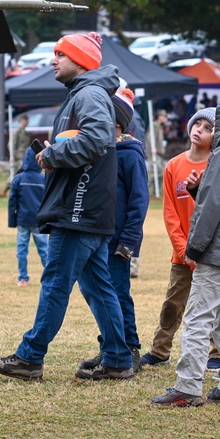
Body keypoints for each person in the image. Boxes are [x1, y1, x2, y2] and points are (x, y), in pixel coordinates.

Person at [0, 32, 133, 381]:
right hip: (90, 208)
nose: (52, 60)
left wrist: (52, 154)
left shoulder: (90, 93)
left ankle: (29, 358)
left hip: (78, 208)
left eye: (59, 54)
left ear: (80, 61)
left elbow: (97, 139)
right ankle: (117, 358)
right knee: (98, 286)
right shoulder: (87, 94)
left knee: (55, 282)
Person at [150, 100, 220, 408]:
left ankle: (187, 387)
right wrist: (202, 190)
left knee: (199, 319)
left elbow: (212, 208)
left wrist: (194, 247)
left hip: (218, 253)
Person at [138, 106, 220, 369]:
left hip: (210, 252)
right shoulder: (174, 165)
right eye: (198, 125)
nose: (200, 130)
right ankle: (160, 350)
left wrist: (202, 250)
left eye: (209, 128)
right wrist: (183, 248)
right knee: (173, 303)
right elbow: (171, 213)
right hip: (182, 253)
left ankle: (216, 353)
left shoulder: (218, 165)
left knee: (212, 304)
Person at [79, 87, 149, 373]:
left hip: (119, 239)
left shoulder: (130, 155)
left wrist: (129, 240)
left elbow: (139, 200)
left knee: (119, 293)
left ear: (116, 120)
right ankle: (109, 345)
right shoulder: (100, 151)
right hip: (96, 235)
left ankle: (129, 347)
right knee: (100, 296)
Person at [8, 146, 49, 287]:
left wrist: (12, 221)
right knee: (45, 250)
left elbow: (12, 202)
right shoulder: (44, 179)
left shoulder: (18, 179)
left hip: (23, 220)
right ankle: (50, 277)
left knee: (21, 251)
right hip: (39, 221)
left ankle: (23, 278)